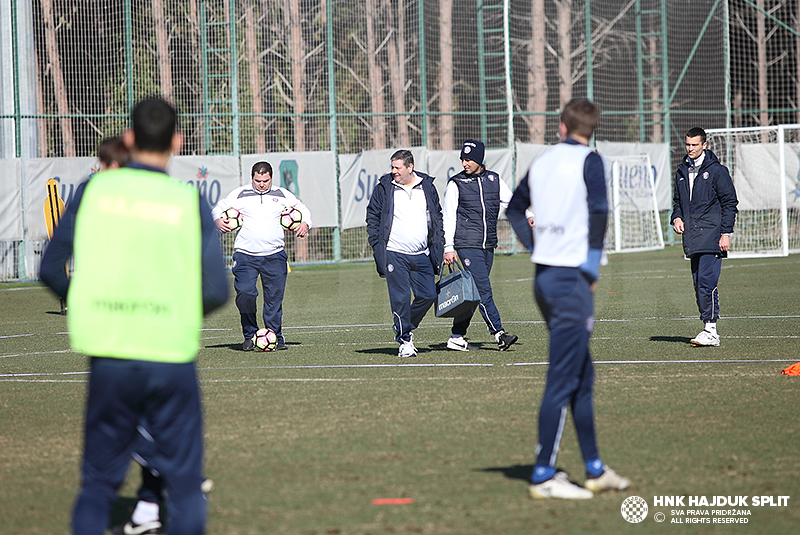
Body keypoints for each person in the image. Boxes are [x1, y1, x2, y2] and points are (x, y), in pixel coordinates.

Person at [39, 96, 229, 534]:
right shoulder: (188, 202)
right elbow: (217, 289)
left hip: (111, 355)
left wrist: (84, 298)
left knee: (98, 487)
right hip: (171, 357)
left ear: (128, 138)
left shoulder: (94, 191)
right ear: (177, 143)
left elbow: (50, 267)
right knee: (183, 487)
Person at [507, 98, 630, 500]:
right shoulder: (590, 161)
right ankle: (543, 475)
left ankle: (594, 467)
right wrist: (591, 267)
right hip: (570, 281)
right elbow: (599, 213)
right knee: (562, 379)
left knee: (582, 377)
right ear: (590, 129)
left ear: (561, 126)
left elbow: (512, 209)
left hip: (545, 278)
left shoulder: (541, 161)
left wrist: (534, 246)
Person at [213, 161, 312, 351]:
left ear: (271, 178)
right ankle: (250, 335)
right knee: (245, 293)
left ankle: (275, 336)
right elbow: (217, 208)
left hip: (274, 256)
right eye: (258, 180)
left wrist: (305, 223)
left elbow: (303, 209)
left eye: (265, 180)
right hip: (245, 256)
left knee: (274, 299)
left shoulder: (282, 194)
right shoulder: (240, 194)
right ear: (252, 178)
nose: (261, 184)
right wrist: (217, 220)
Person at [442, 139, 520, 352]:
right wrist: (448, 247)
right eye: (463, 159)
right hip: (467, 244)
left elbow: (511, 201)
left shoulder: (494, 179)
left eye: (469, 159)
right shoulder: (455, 183)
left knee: (474, 293)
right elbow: (448, 217)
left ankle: (456, 336)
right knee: (484, 289)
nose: (464, 163)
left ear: (480, 160)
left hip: (488, 245)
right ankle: (499, 334)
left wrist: (529, 215)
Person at [366, 149, 444, 357]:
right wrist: (377, 244)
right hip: (394, 253)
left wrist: (440, 244)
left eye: (397, 167)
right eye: (392, 167)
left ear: (410, 167)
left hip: (422, 254)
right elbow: (372, 216)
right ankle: (405, 341)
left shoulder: (427, 186)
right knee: (400, 299)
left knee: (428, 295)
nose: (393, 171)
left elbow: (437, 217)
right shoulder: (385, 187)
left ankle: (405, 326)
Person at [671, 127, 739, 347]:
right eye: (688, 144)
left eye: (694, 145)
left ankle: (711, 330)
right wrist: (677, 217)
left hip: (712, 236)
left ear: (704, 145)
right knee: (698, 283)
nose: (690, 148)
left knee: (706, 283)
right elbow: (677, 202)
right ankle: (708, 328)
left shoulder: (717, 171)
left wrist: (725, 233)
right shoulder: (682, 171)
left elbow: (730, 203)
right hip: (692, 237)